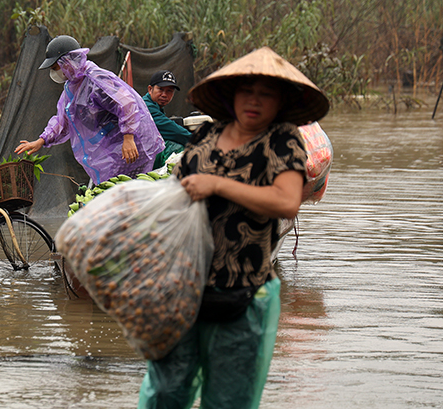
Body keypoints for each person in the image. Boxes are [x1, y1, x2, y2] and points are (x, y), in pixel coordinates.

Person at [137, 46, 330, 409]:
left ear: (280, 103)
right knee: (165, 391)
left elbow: (287, 201)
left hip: (243, 292)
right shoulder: (206, 137)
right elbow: (176, 194)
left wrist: (219, 185)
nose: (254, 101)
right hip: (186, 287)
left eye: (266, 94)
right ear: (231, 96)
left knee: (227, 398)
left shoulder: (282, 142)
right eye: (247, 92)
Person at [15, 35, 164, 185]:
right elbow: (63, 119)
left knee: (131, 191)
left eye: (55, 68)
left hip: (131, 146)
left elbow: (126, 104)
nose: (54, 73)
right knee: (116, 192)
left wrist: (128, 137)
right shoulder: (72, 86)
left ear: (67, 61)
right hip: (114, 150)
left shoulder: (96, 79)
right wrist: (41, 140)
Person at [143, 70, 192, 169]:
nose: (164, 95)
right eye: (160, 89)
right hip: (130, 156)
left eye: (169, 91)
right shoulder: (146, 108)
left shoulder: (155, 107)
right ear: (150, 89)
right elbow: (174, 131)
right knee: (174, 148)